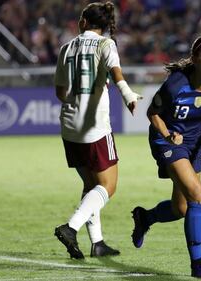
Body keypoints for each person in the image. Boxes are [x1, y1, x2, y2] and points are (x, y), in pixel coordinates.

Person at [131, 36, 201, 279]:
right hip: (167, 140)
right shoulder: (175, 85)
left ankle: (145, 217)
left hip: (195, 143)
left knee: (181, 208)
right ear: (196, 59)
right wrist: (168, 136)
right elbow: (152, 113)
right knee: (198, 193)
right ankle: (197, 264)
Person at [53, 1, 142, 259]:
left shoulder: (66, 47)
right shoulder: (106, 44)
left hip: (69, 126)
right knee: (108, 187)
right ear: (105, 26)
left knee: (91, 185)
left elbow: (61, 92)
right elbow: (116, 74)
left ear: (83, 23)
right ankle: (70, 227)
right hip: (95, 127)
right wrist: (127, 95)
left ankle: (97, 242)